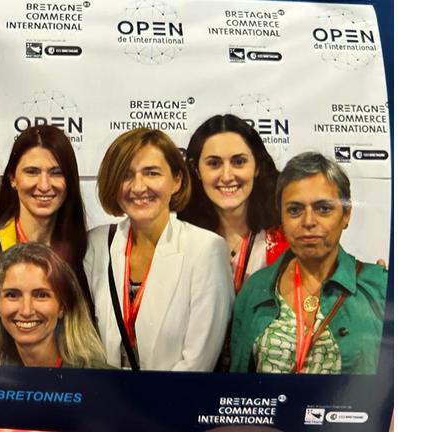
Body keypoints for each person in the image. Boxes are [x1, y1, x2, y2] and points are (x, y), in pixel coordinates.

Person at [84, 128, 233, 371]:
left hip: (177, 394)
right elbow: (86, 342)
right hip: (105, 392)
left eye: (151, 173)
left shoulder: (206, 249)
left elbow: (198, 362)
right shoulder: (97, 244)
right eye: (126, 175)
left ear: (177, 180)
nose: (138, 187)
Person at [230, 152, 387, 374]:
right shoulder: (255, 289)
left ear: (346, 215)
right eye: (294, 210)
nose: (309, 221)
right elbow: (237, 381)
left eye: (324, 209)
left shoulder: (380, 288)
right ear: (281, 217)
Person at [0, 125, 91, 365]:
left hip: (73, 382)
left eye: (56, 172)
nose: (44, 185)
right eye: (32, 172)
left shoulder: (85, 250)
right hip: (2, 384)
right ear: (12, 179)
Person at [179, 114, 288, 293]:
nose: (227, 176)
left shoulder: (287, 237)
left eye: (239, 162)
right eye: (214, 163)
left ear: (257, 167)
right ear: (196, 170)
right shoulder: (179, 239)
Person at [0, 242, 107, 368]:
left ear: (62, 306)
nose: (26, 311)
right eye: (12, 295)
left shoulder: (100, 378)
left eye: (41, 295)